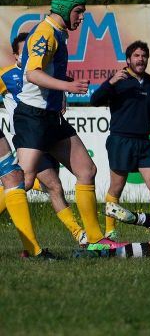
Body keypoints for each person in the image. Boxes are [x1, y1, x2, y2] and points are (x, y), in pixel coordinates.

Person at [15, 0, 117, 249]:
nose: (82, 18)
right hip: (33, 117)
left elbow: (48, 73)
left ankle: (95, 240)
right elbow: (32, 74)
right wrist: (67, 87)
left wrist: (63, 83)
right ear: (63, 8)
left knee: (87, 170)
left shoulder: (60, 33)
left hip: (51, 118)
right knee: (23, 181)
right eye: (78, 11)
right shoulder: (46, 32)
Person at [0, 32, 87, 251]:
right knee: (26, 183)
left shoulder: (44, 71)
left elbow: (61, 85)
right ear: (15, 55)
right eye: (23, 51)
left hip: (49, 132)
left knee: (54, 186)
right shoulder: (5, 76)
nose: (27, 55)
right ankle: (79, 236)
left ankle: (81, 236)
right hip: (29, 136)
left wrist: (63, 95)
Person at [90, 40, 150, 239]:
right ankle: (110, 231)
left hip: (144, 142)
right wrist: (110, 82)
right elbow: (94, 100)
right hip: (121, 141)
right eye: (136, 56)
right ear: (128, 59)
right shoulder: (118, 80)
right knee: (116, 188)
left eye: (144, 56)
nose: (141, 59)